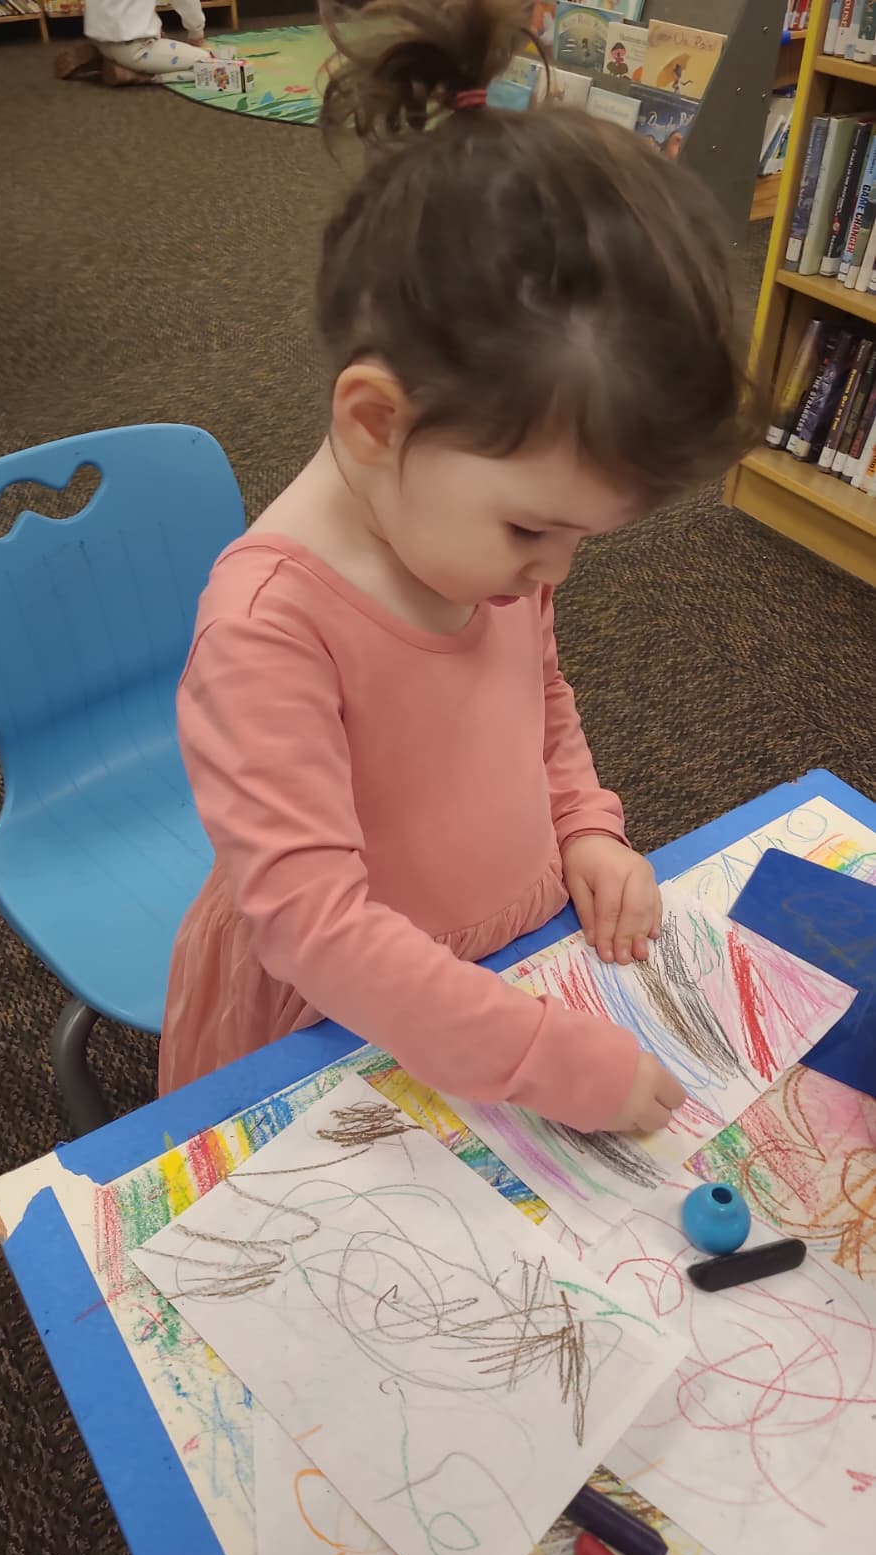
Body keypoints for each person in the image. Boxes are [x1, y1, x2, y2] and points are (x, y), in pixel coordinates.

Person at [159, 0, 760, 1133]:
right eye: (536, 531)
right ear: (377, 423)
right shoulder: (267, 625)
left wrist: (584, 822)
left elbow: (536, 697)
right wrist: (532, 1057)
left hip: (501, 957)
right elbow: (316, 927)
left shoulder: (480, 549)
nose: (555, 576)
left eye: (584, 539)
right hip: (332, 1021)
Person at [55, 0, 213, 86]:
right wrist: (196, 31)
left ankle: (104, 55)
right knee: (211, 64)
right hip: (134, 48)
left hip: (100, 36)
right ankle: (139, 75)